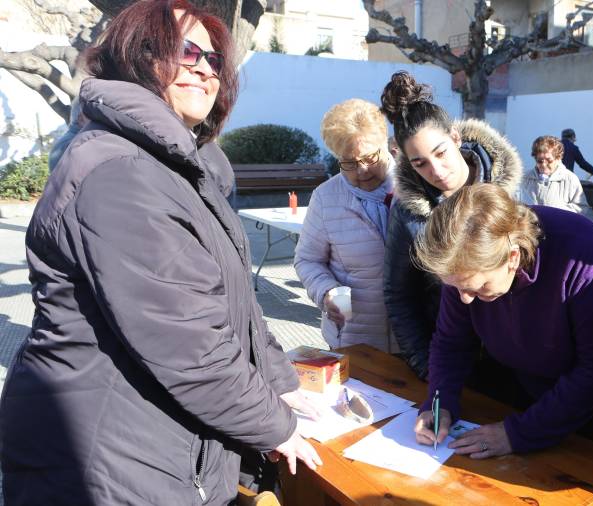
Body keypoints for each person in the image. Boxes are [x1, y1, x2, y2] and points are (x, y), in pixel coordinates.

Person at [0, 2, 322, 504]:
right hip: (106, 457)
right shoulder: (120, 169)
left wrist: (281, 383)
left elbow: (233, 304)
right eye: (185, 51)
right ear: (137, 57)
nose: (203, 67)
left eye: (214, 60)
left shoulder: (183, 166)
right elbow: (189, 342)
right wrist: (275, 426)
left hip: (154, 444)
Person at [412, 183, 593, 458]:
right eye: (456, 288)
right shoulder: (464, 264)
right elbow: (451, 341)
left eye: (478, 287)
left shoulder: (580, 251)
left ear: (513, 257)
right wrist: (440, 401)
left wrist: (518, 433)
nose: (465, 299)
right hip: (538, 378)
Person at [381, 71, 522, 380]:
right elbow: (399, 293)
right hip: (448, 356)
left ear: (456, 138)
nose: (436, 170)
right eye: (419, 164)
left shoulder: (511, 194)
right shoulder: (408, 211)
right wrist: (427, 367)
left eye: (441, 153)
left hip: (517, 360)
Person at [294, 99, 397, 352]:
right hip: (354, 338)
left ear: (387, 145)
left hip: (415, 336)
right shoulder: (326, 197)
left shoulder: (414, 186)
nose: (361, 170)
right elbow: (307, 260)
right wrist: (326, 291)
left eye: (370, 157)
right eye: (348, 163)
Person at [518, 135, 587, 213]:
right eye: (539, 161)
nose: (544, 165)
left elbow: (581, 207)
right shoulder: (525, 178)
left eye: (549, 160)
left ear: (558, 158)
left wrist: (558, 212)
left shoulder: (570, 179)